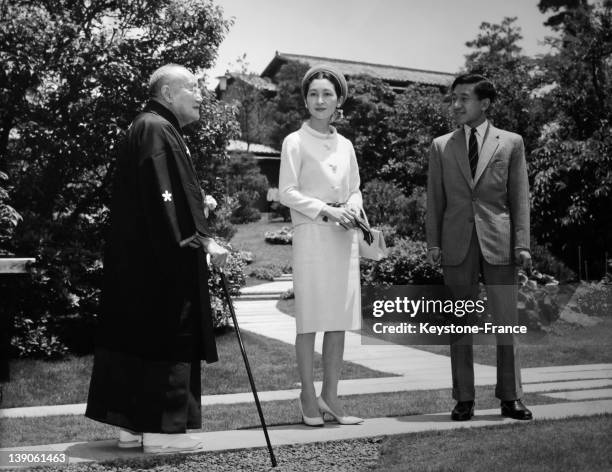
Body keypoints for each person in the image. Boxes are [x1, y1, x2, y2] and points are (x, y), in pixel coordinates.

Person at [85, 64, 229, 453]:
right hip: (161, 268)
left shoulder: (148, 126)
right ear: (167, 92)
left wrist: (199, 202)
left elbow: (161, 194)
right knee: (166, 336)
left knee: (138, 336)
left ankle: (132, 427)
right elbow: (165, 201)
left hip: (139, 267)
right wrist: (204, 241)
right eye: (193, 87)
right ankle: (161, 435)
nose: (201, 94)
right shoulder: (157, 129)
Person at [426, 73, 533, 421]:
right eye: (453, 98)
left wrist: (523, 244)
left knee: (507, 323)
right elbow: (435, 201)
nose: (456, 104)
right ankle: (464, 399)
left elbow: (519, 198)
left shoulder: (511, 143)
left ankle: (511, 397)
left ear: (484, 103)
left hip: (500, 243)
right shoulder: (441, 146)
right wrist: (433, 243)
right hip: (456, 244)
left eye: (464, 98)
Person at [279, 65, 364, 427]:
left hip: (344, 240)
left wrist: (354, 207)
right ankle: (308, 396)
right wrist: (328, 211)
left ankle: (332, 396)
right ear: (305, 99)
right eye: (313, 94)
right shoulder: (294, 142)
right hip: (312, 238)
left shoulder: (346, 145)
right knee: (309, 321)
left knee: (337, 322)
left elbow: (356, 188)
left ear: (338, 99)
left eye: (326, 94)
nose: (319, 100)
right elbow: (287, 192)